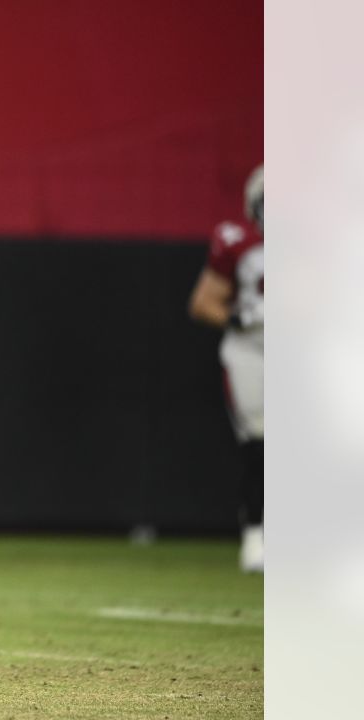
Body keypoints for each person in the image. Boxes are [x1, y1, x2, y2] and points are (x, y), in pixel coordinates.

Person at [189, 164, 264, 573]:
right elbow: (204, 302)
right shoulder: (238, 242)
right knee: (260, 444)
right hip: (252, 349)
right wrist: (237, 319)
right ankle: (255, 538)